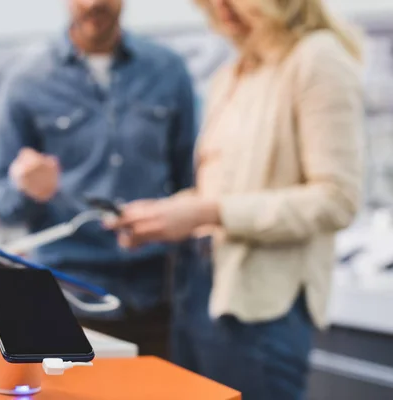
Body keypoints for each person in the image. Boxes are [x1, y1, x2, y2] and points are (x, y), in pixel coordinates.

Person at [106, 0, 363, 397]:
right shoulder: (232, 74)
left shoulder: (316, 60)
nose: (220, 9)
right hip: (198, 292)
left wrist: (206, 212)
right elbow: (220, 190)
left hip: (261, 308)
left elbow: (336, 199)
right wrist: (164, 215)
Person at [0, 0, 196, 358]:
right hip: (65, 303)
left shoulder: (167, 70)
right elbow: (1, 204)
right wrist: (27, 189)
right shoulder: (26, 80)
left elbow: (189, 182)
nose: (94, 3)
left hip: (155, 298)